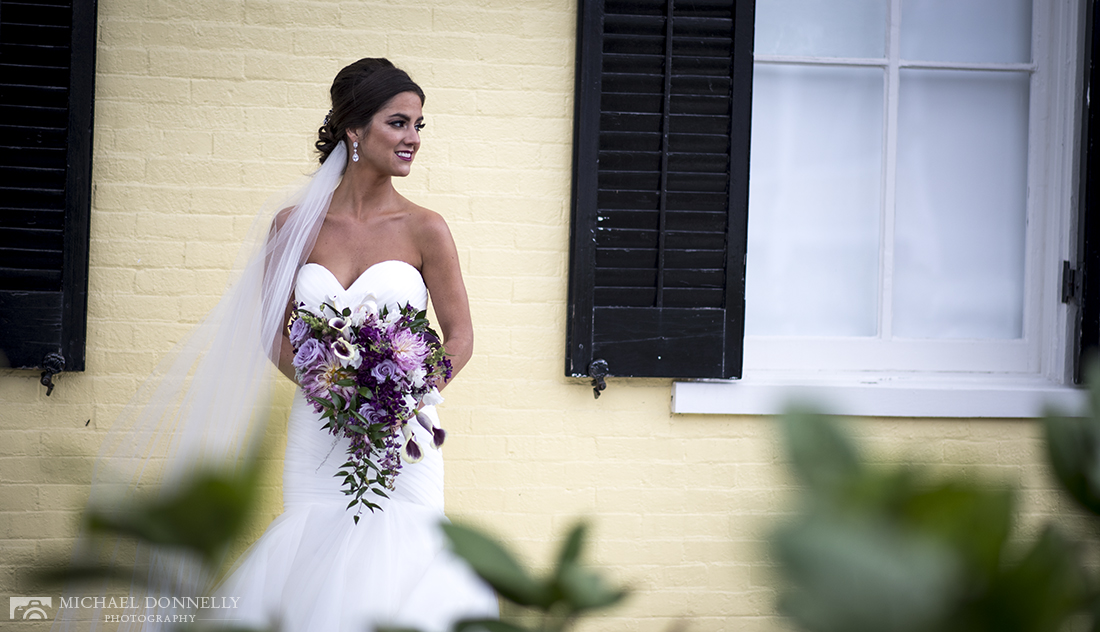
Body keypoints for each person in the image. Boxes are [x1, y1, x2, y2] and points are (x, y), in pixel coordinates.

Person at [53, 59, 497, 632]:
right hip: (318, 427)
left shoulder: (426, 228)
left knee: (407, 555)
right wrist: (332, 391)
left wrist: (408, 394)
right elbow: (273, 331)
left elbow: (460, 337)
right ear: (353, 131)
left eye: (419, 125)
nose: (413, 138)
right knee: (309, 553)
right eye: (399, 123)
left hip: (402, 437)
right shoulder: (294, 225)